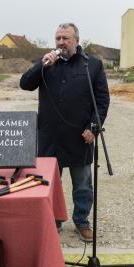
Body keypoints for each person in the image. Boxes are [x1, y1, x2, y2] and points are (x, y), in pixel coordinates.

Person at [19, 23, 110, 242]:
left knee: (82, 185)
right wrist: (41, 65)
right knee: (49, 183)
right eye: (58, 38)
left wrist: (93, 127)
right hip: (50, 137)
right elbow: (25, 84)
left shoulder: (92, 65)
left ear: (77, 40)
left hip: (80, 136)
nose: (61, 42)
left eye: (66, 38)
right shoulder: (47, 63)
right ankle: (53, 220)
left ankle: (82, 221)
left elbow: (102, 100)